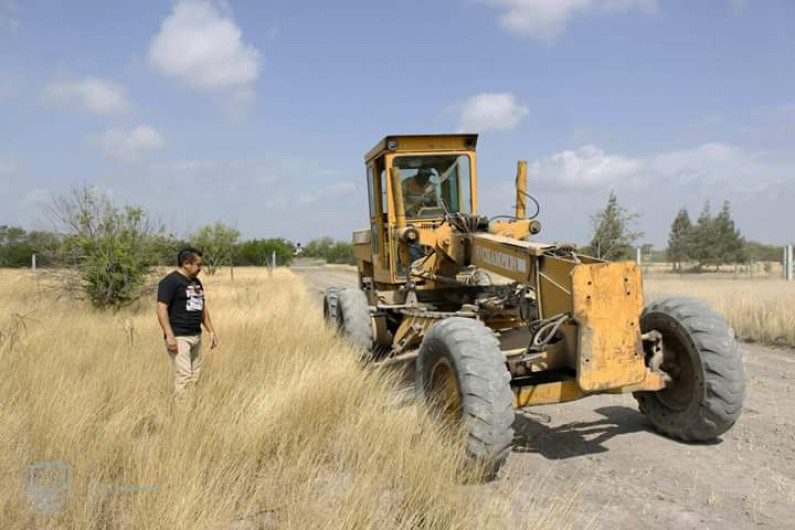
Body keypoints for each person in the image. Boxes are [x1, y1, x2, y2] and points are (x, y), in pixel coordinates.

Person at [156, 247, 218, 395]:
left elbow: (202, 307)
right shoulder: (170, 281)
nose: (200, 269)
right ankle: (181, 412)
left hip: (196, 335)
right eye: (198, 265)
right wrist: (169, 335)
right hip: (179, 336)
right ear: (186, 263)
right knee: (184, 376)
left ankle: (191, 408)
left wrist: (211, 331)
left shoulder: (196, 282)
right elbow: (161, 308)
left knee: (195, 375)